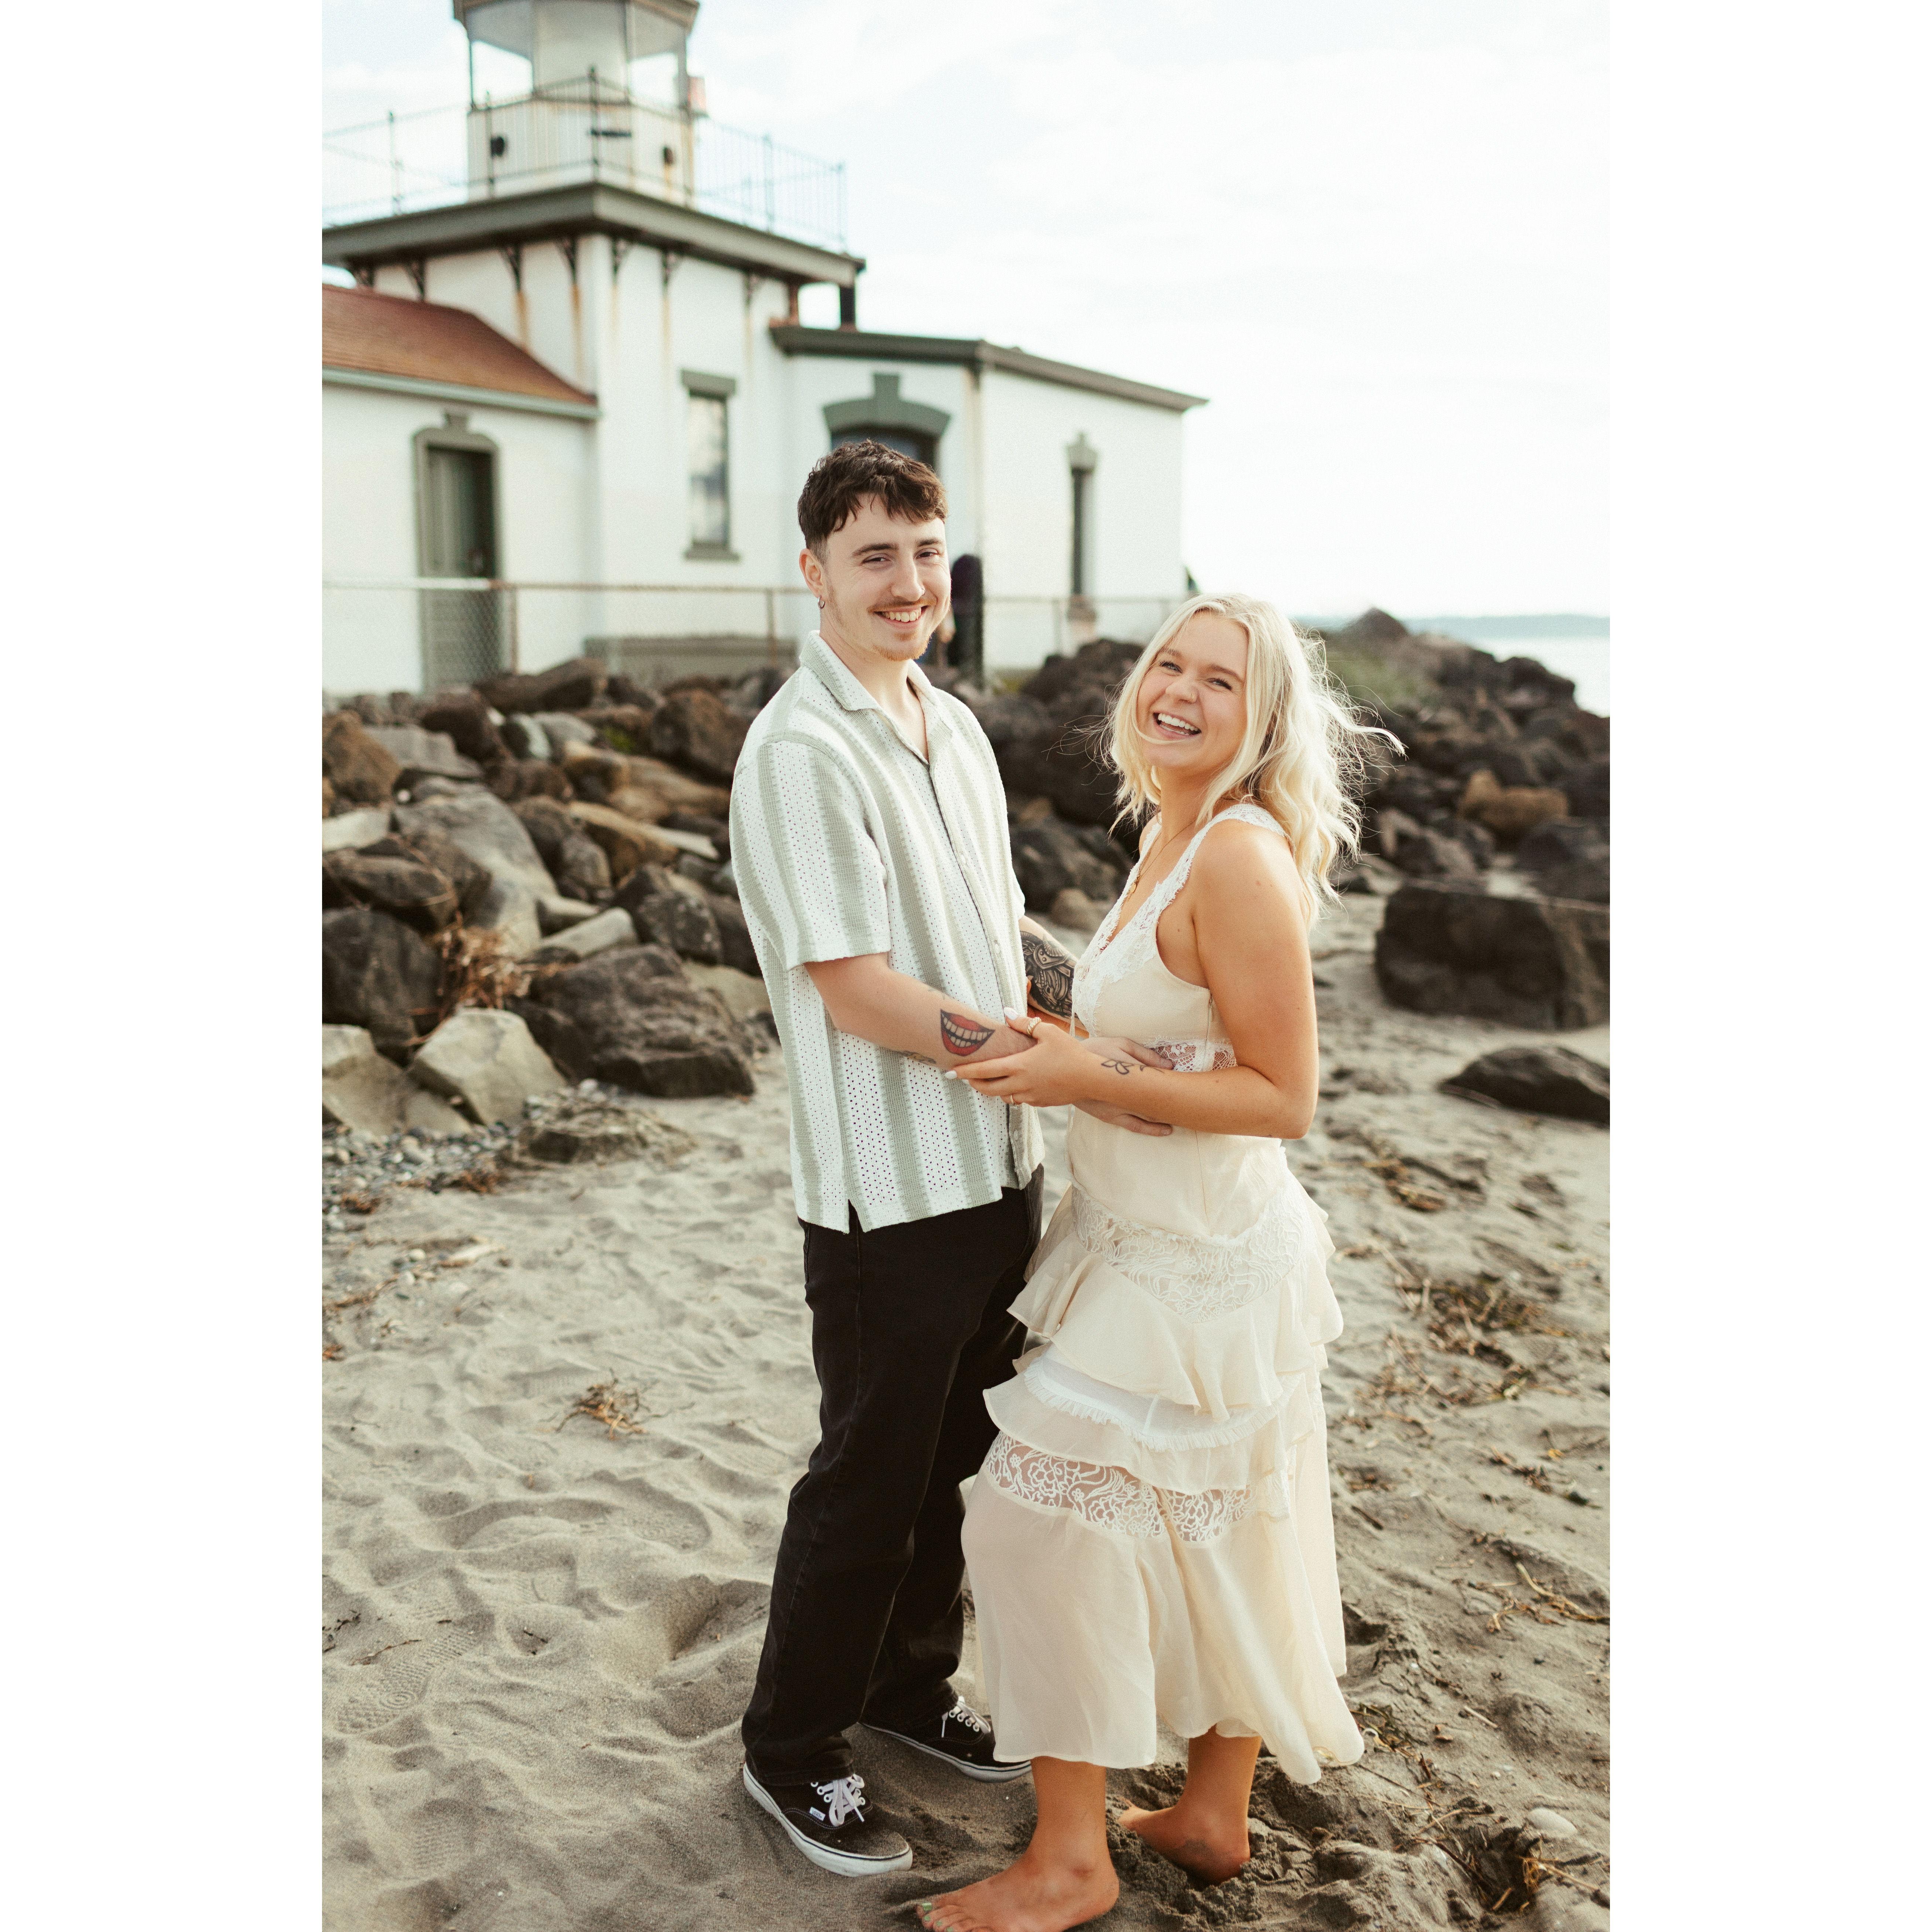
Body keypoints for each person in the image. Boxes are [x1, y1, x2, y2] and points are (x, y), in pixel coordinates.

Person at [916, 593, 1392, 1932]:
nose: (1179, 690)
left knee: (1030, 1519)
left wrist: (1090, 1073)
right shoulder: (1172, 833)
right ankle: (1211, 1816)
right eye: (1169, 664)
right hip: (1146, 1239)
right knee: (1226, 1523)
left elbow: (1284, 1094)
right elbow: (1185, 1038)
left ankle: (1071, 1860)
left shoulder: (1236, 855)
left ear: (1264, 720)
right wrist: (1075, 1046)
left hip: (1200, 1265)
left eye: (1219, 681)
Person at [729, 441, 1169, 1878]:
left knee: (957, 1467)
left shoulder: (957, 729)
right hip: (887, 1190)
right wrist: (1033, 1055)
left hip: (998, 1165)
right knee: (867, 1480)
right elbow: (855, 988)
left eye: (926, 554)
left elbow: (988, 935)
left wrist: (1083, 1034)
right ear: (814, 573)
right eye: (875, 557)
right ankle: (792, 1750)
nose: (909, 584)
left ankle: (907, 1689)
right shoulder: (801, 751)